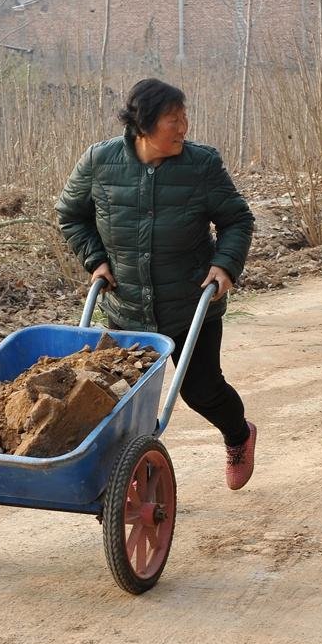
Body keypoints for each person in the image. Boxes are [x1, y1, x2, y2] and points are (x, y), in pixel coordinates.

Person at [56, 78, 258, 490]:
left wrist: (225, 265)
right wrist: (94, 259)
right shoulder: (100, 160)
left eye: (185, 117)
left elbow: (237, 219)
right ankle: (135, 479)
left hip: (190, 305)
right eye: (174, 118)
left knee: (201, 391)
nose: (184, 127)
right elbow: (70, 214)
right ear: (144, 124)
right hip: (126, 307)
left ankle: (239, 436)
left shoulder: (201, 164)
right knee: (122, 401)